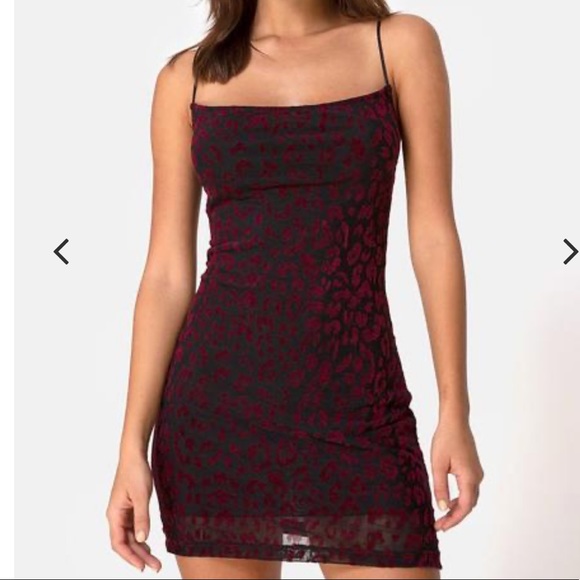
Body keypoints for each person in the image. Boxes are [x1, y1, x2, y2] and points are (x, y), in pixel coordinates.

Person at [106, 1, 484, 578]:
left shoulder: (398, 45)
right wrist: (132, 445)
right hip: (214, 420)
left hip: (361, 410)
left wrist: (455, 409)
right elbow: (165, 274)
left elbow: (433, 236)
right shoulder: (187, 79)